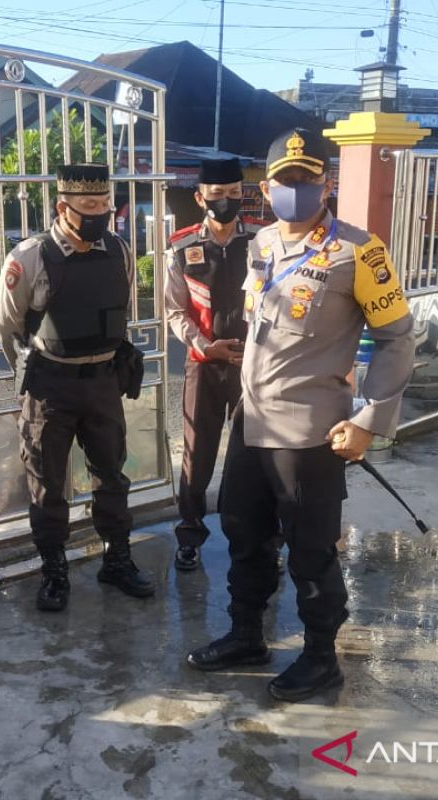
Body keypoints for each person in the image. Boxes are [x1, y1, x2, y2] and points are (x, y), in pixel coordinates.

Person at [186, 129, 416, 702]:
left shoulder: (359, 252)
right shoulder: (261, 243)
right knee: (243, 531)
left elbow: (398, 339)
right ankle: (247, 635)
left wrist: (369, 419)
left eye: (305, 181)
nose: (295, 190)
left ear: (325, 184)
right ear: (267, 188)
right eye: (284, 181)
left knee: (311, 549)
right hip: (253, 419)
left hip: (310, 431)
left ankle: (320, 659)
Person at [0, 162, 155, 612]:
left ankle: (117, 559)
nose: (100, 213)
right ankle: (54, 570)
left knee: (112, 477)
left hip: (103, 382)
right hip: (51, 388)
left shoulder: (119, 250)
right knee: (47, 485)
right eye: (89, 206)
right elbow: (7, 328)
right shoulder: (29, 257)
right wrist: (29, 378)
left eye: (105, 204)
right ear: (62, 207)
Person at [165, 157, 265, 571]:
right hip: (202, 364)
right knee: (197, 454)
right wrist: (205, 346)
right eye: (218, 194)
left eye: (234, 193)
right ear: (200, 196)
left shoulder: (263, 243)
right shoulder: (182, 246)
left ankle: (261, 538)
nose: (226, 201)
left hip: (254, 367)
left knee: (256, 456)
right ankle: (190, 535)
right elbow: (175, 311)